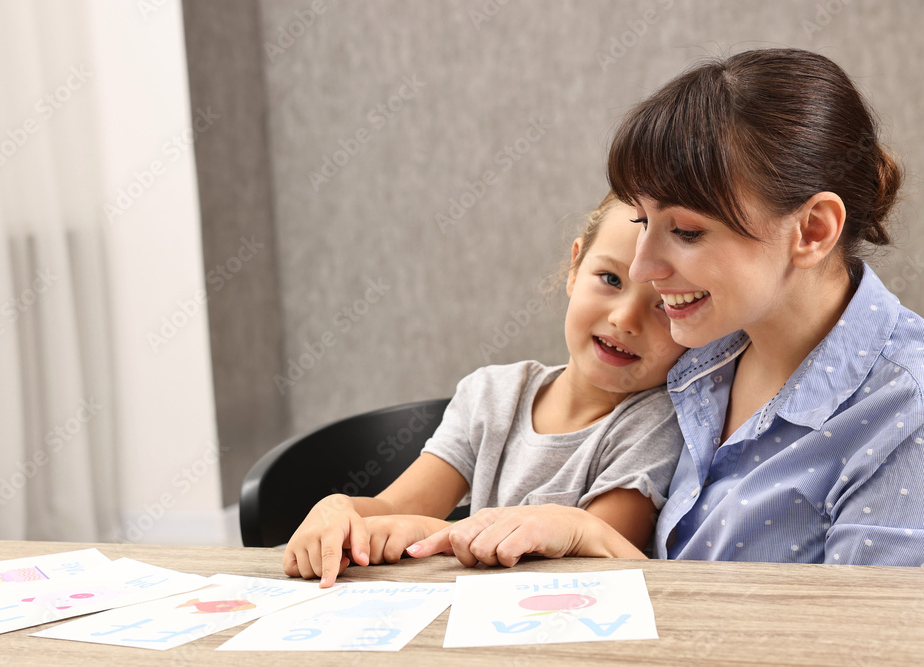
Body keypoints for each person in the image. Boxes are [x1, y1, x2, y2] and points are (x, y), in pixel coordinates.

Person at [412, 47, 924, 567]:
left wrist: (594, 538)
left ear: (812, 231)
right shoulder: (697, 349)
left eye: (685, 231)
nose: (643, 269)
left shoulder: (906, 412)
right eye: (641, 222)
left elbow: (863, 644)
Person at [283, 193, 687, 587]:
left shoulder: (662, 422)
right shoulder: (492, 393)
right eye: (610, 279)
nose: (625, 319)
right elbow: (392, 509)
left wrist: (420, 530)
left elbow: (598, 551)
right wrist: (338, 509)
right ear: (574, 267)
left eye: (663, 303)